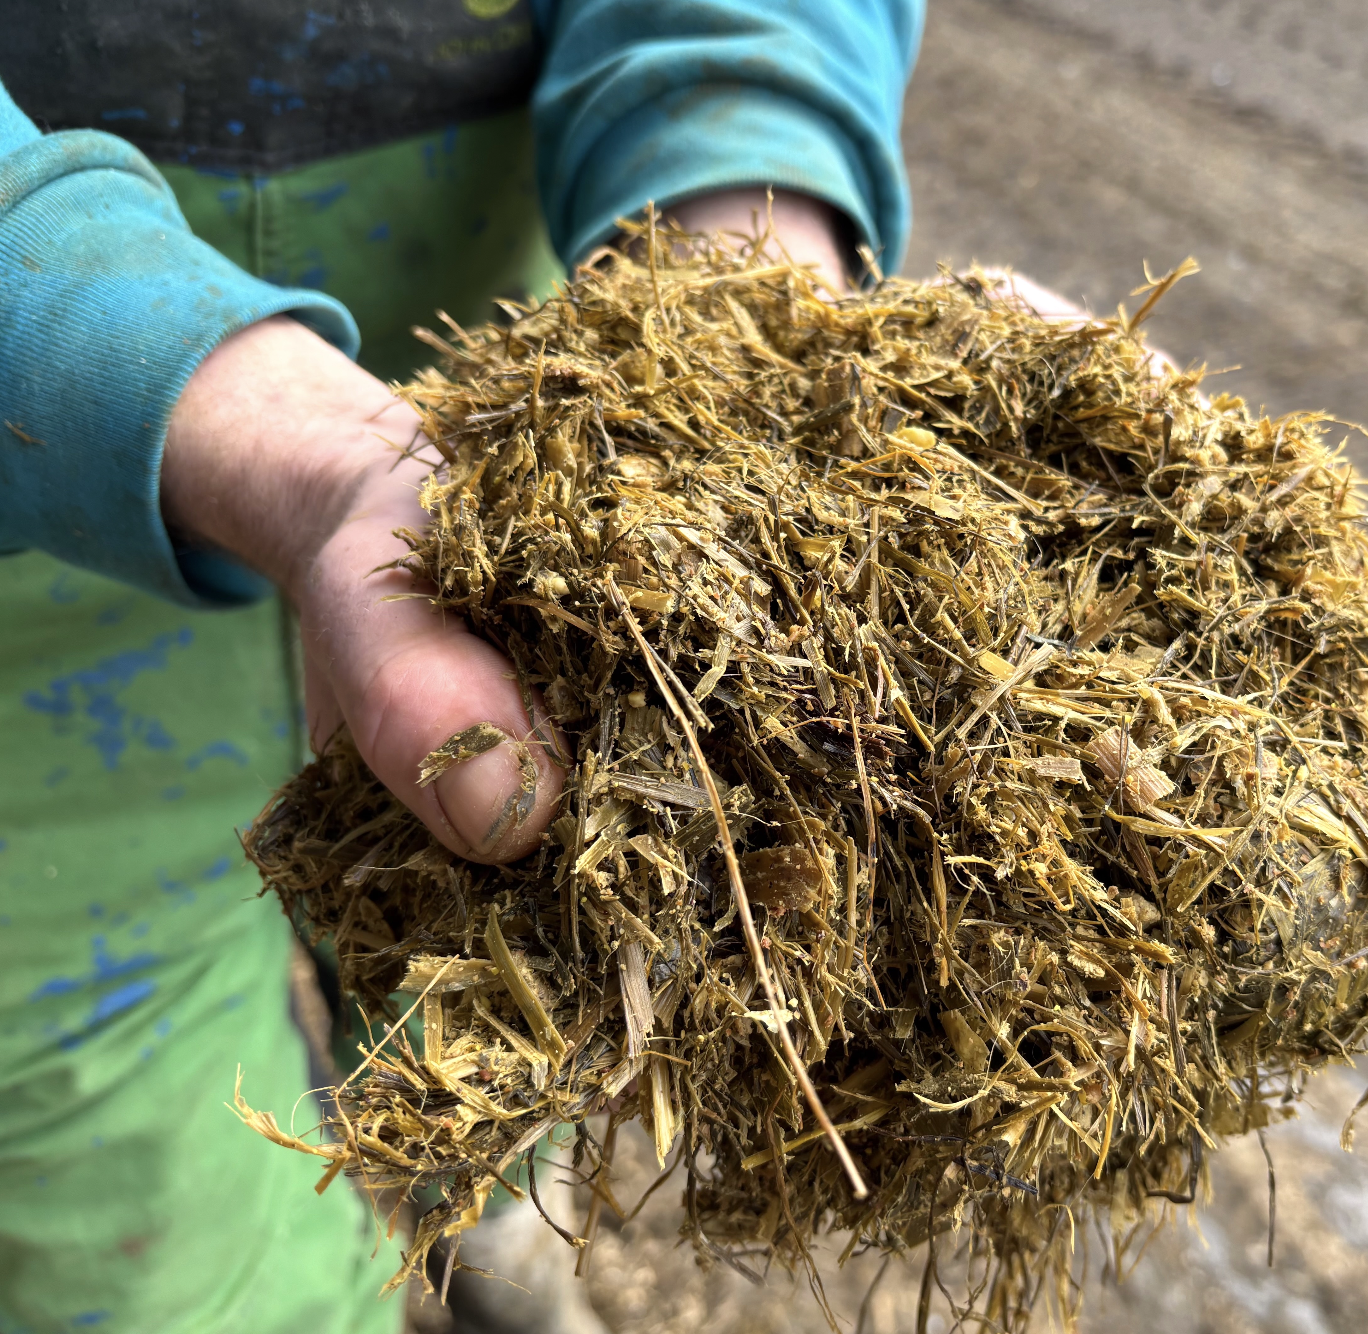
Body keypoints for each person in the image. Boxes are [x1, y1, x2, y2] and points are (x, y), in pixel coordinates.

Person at [0, 3, 920, 1329]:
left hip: (483, 307)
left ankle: (486, 1222)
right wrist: (151, 362)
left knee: (516, 927)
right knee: (122, 1200)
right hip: (33, 466)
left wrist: (743, 209)